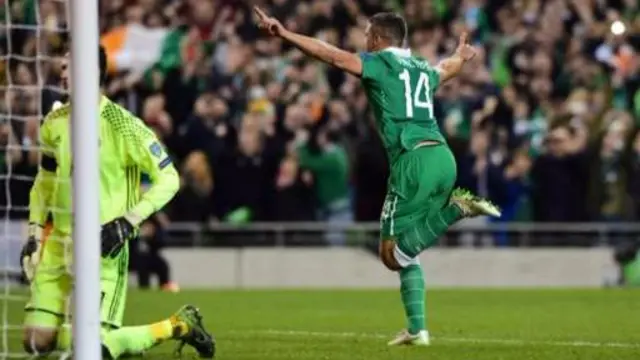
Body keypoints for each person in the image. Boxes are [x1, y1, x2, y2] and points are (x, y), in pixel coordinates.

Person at [253, 8, 501, 346]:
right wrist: (461, 55)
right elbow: (447, 68)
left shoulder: (381, 65)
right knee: (407, 254)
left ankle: (456, 209)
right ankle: (418, 330)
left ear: (379, 39)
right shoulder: (420, 68)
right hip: (442, 158)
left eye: (367, 35)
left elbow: (332, 56)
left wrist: (285, 34)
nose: (364, 41)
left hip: (413, 162)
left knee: (390, 254)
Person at [19, 46, 215, 359]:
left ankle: (178, 325)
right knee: (34, 342)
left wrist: (127, 221)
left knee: (87, 348)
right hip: (58, 244)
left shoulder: (123, 125)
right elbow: (43, 182)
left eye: (70, 67)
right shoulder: (53, 123)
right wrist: (34, 232)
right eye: (63, 67)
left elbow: (170, 179)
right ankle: (109, 339)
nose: (63, 73)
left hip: (102, 247)